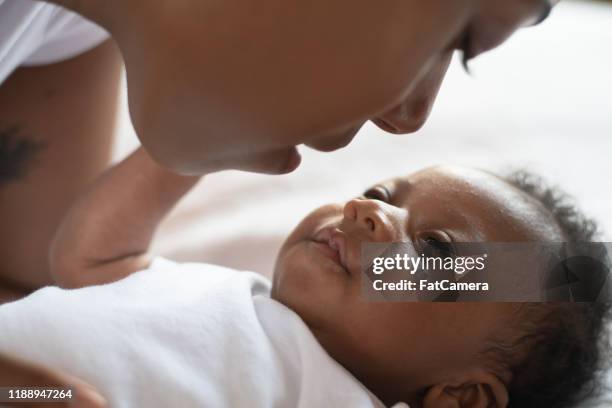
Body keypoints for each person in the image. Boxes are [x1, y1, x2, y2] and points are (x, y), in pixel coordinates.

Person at [0, 0, 556, 293]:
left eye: (436, 249)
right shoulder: (222, 312)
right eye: (451, 42)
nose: (408, 117)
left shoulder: (73, 26)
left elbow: (32, 290)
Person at [1, 148, 608, 407]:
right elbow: (92, 262)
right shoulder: (224, 291)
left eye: (435, 248)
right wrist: (196, 144)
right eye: (380, 193)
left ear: (460, 397)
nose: (367, 211)